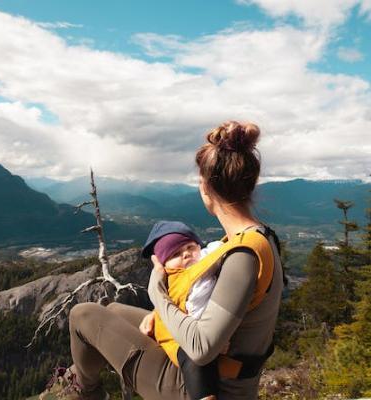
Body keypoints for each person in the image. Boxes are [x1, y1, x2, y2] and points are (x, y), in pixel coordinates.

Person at [39, 121, 284, 400]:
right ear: (250, 184)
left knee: (82, 314)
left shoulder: (243, 256)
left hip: (202, 387)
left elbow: (202, 347)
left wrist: (158, 292)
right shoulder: (259, 238)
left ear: (205, 188)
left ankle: (87, 393)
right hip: (217, 374)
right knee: (116, 311)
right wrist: (161, 314)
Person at [139, 220, 224, 400]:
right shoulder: (176, 278)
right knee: (192, 358)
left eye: (190, 247)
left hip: (197, 333)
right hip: (178, 336)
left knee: (198, 356)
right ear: (166, 265)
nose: (186, 254)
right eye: (176, 253)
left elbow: (219, 247)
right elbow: (174, 299)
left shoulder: (204, 261)